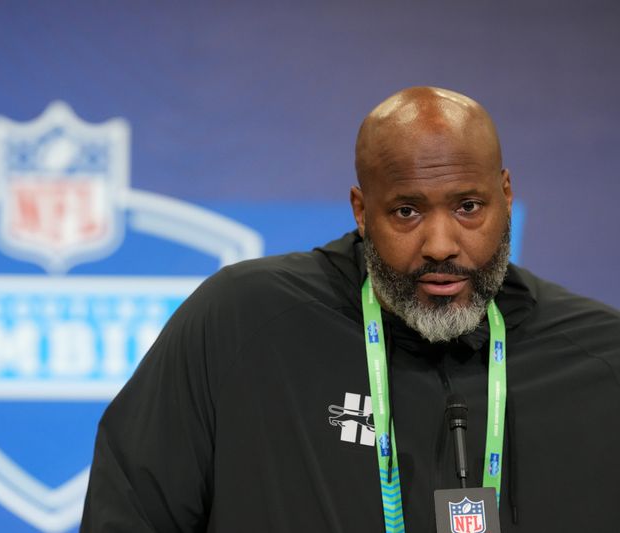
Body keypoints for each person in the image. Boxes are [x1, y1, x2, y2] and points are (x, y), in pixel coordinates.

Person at [81, 87, 620, 532]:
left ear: (505, 194)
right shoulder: (241, 323)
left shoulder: (601, 358)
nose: (440, 244)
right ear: (362, 211)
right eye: (406, 211)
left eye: (468, 207)